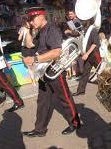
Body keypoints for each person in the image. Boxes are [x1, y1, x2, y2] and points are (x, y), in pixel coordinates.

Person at [21, 7, 81, 137]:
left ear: (41, 16)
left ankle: (75, 123)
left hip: (55, 71)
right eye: (29, 20)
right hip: (44, 72)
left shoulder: (51, 29)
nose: (31, 22)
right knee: (42, 102)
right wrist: (28, 29)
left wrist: (35, 59)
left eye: (32, 19)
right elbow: (30, 45)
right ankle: (39, 130)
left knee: (65, 98)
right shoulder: (40, 31)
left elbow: (56, 52)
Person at [71, 15, 101, 96]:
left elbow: (95, 43)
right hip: (87, 55)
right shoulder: (84, 30)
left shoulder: (93, 29)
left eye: (82, 20)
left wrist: (87, 54)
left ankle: (109, 87)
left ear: (87, 21)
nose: (81, 21)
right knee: (85, 73)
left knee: (101, 72)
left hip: (94, 54)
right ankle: (80, 91)